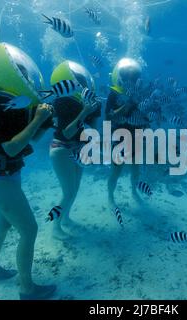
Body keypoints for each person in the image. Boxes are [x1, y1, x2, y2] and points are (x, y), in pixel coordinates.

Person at [0, 43, 56, 300]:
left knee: (4, 226)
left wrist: (44, 122)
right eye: (23, 74)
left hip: (1, 177)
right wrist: (38, 119)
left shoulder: (12, 101)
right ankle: (27, 289)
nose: (28, 79)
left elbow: (32, 140)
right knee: (29, 230)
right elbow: (10, 148)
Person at [48, 61, 101, 239]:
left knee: (75, 189)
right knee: (68, 191)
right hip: (61, 149)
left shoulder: (89, 101)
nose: (83, 88)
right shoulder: (62, 101)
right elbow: (67, 132)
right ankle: (55, 227)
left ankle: (66, 218)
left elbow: (93, 131)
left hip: (79, 150)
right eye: (80, 85)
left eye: (85, 85)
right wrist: (84, 112)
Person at [105, 58, 147, 211]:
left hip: (137, 137)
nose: (131, 81)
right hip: (119, 138)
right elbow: (108, 117)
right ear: (121, 78)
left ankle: (134, 192)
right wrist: (125, 105)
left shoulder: (140, 94)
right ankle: (110, 196)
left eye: (134, 78)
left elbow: (145, 115)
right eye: (128, 77)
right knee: (116, 171)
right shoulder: (114, 94)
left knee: (136, 169)